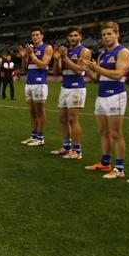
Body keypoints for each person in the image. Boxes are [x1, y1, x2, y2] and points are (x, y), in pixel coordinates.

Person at [81, 22, 129, 179]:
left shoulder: (123, 52)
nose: (106, 37)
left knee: (116, 133)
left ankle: (119, 168)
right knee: (103, 132)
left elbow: (118, 74)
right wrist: (87, 69)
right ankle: (105, 163)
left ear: (117, 34)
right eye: (103, 34)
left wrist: (97, 69)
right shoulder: (102, 56)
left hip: (115, 96)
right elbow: (97, 79)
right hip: (101, 96)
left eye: (109, 33)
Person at [51, 27, 91, 159]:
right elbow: (56, 73)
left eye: (75, 35)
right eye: (71, 36)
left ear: (80, 36)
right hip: (65, 87)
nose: (73, 38)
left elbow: (80, 70)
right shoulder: (67, 52)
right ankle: (67, 147)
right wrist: (57, 60)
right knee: (63, 119)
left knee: (73, 119)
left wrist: (65, 57)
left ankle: (77, 151)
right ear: (68, 38)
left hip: (77, 87)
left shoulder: (84, 51)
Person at [18, 26, 53, 146]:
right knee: (32, 111)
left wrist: (32, 55)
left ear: (42, 36)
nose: (35, 37)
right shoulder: (30, 50)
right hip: (29, 82)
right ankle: (34, 136)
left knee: (40, 111)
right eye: (33, 35)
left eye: (37, 35)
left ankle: (40, 138)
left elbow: (43, 65)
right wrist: (23, 58)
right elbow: (23, 69)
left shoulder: (47, 48)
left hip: (40, 83)